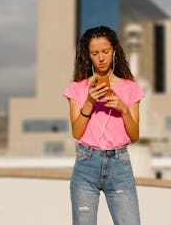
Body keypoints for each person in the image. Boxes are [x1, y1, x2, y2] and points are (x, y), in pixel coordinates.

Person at [62, 25, 144, 225]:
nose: (100, 58)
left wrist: (123, 109)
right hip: (86, 162)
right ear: (88, 56)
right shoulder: (76, 89)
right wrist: (89, 101)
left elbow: (134, 135)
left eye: (105, 52)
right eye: (95, 53)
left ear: (114, 51)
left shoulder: (130, 88)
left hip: (119, 163)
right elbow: (76, 132)